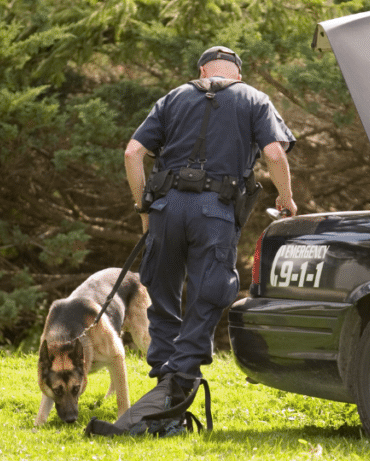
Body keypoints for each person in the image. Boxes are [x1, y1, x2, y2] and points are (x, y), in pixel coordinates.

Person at [124, 45, 296, 391]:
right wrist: (286, 197)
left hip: (165, 209)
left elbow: (133, 153)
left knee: (163, 291)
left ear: (203, 71)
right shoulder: (254, 98)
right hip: (215, 211)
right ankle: (183, 374)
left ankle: (163, 373)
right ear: (238, 75)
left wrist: (144, 209)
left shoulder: (173, 97)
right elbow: (275, 153)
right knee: (210, 291)